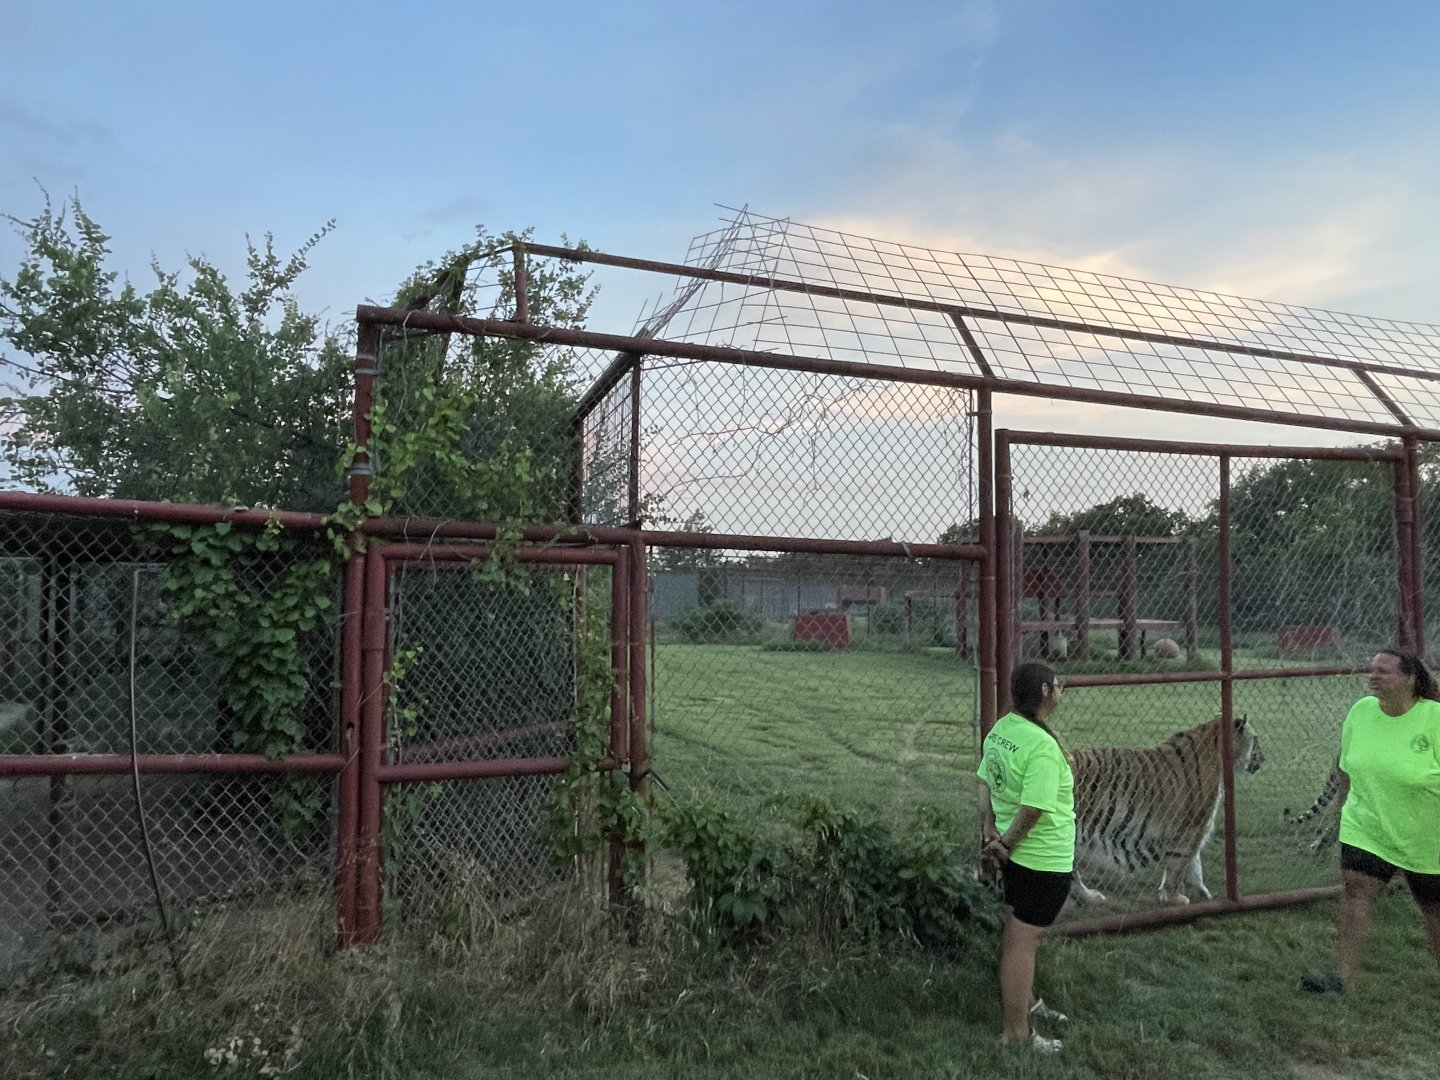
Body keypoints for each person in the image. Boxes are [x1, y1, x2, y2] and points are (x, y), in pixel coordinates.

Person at [1302, 649, 1440, 994]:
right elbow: (1346, 768)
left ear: (1410, 679)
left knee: (1434, 908)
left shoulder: (1433, 719)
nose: (1374, 676)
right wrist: (1345, 810)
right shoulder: (1361, 712)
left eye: (1384, 671)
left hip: (1424, 833)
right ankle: (1342, 979)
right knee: (1355, 892)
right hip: (1368, 826)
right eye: (1372, 669)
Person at [977, 661, 1075, 1053]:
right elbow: (1034, 808)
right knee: (1021, 944)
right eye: (1058, 686)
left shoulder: (1003, 730)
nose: (1061, 692)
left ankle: (1029, 1002)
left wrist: (989, 828)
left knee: (1019, 933)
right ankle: (1016, 1033)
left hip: (1016, 860)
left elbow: (985, 778)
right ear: (1047, 693)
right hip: (1041, 861)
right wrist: (1007, 843)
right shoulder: (1042, 748)